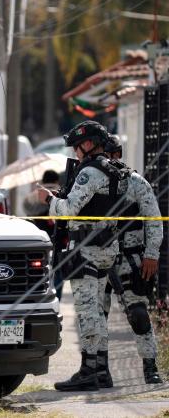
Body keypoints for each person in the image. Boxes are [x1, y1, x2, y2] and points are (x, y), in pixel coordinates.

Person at [38, 121, 129, 391]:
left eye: (77, 147)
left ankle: (89, 371)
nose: (76, 153)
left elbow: (69, 210)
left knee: (88, 313)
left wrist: (49, 200)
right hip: (107, 248)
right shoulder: (115, 170)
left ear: (87, 144)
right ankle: (101, 371)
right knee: (98, 314)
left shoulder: (90, 171)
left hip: (87, 249)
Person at [100, 134, 163, 384]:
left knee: (138, 314)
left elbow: (153, 220)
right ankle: (98, 370)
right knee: (96, 316)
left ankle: (150, 366)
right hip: (98, 258)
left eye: (106, 155)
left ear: (116, 155)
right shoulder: (88, 181)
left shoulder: (137, 183)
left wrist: (151, 254)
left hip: (130, 257)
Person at [23, 170, 64, 300]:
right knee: (58, 272)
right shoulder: (62, 193)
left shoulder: (31, 196)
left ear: (43, 180)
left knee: (38, 271)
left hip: (37, 240)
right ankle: (56, 298)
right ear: (57, 180)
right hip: (58, 239)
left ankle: (38, 297)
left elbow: (27, 210)